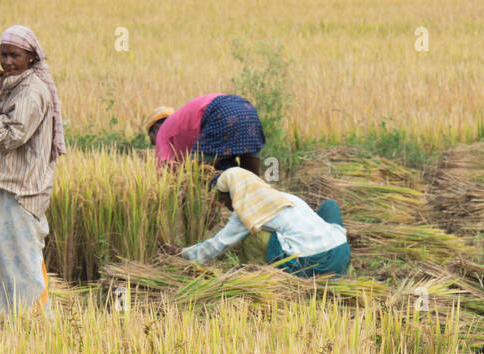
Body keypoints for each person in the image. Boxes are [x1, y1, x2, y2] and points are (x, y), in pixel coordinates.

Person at [0, 24, 66, 315]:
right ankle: (9, 329)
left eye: (14, 55)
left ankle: (35, 327)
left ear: (30, 57)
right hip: (8, 185)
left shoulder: (31, 92)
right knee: (1, 261)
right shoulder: (18, 87)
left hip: (22, 191)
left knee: (21, 266)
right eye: (3, 55)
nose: (7, 62)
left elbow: (10, 139)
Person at [164, 168, 350, 278]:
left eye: (224, 199)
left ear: (234, 193)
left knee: (253, 237)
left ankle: (252, 275)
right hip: (340, 254)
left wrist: (182, 253)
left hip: (312, 266)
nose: (225, 205)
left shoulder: (246, 214)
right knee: (329, 207)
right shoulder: (284, 197)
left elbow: (217, 245)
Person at [145, 95, 264, 174]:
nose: (157, 146)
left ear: (156, 128)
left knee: (195, 178)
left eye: (153, 141)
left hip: (221, 114)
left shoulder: (162, 131)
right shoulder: (182, 121)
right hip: (247, 110)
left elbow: (165, 174)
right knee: (251, 181)